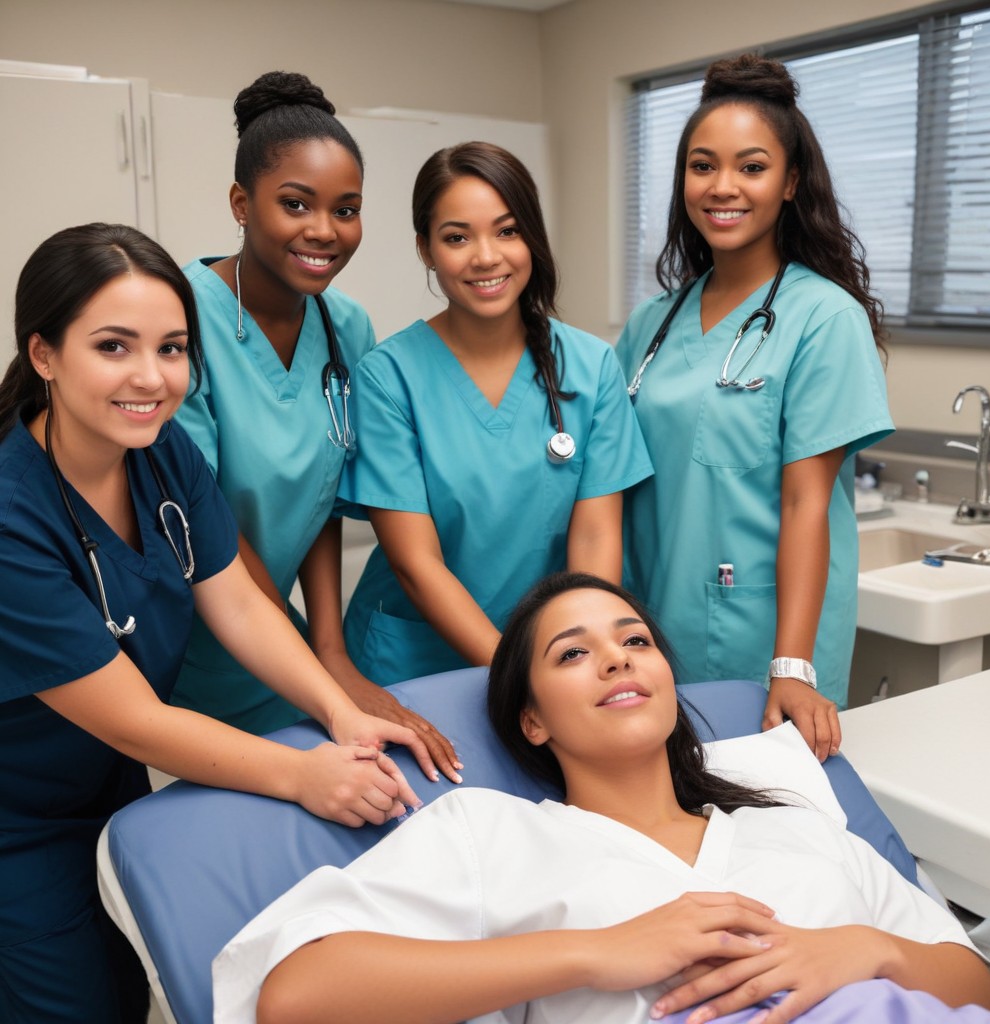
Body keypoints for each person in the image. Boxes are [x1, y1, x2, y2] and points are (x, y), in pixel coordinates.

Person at [213, 571, 990, 1024]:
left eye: (635, 642)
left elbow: (984, 1000)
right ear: (529, 719)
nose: (617, 662)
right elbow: (298, 996)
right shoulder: (489, 832)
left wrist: (865, 953)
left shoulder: (797, 828)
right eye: (573, 654)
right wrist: (600, 952)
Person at [0, 223, 438, 1024]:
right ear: (44, 355)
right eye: (113, 347)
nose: (152, 377)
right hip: (18, 818)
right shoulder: (11, 515)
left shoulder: (162, 456)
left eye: (172, 349)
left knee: (135, 983)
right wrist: (306, 774)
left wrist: (341, 708)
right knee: (73, 1004)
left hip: (114, 790)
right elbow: (136, 719)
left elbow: (234, 600)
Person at [171, 71, 459, 779]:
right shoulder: (178, 313)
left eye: (346, 209)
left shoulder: (345, 326)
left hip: (283, 649)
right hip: (181, 652)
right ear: (241, 203)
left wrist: (328, 649)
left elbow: (324, 502)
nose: (324, 232)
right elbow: (204, 518)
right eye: (295, 204)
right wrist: (317, 672)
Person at [616, 54, 895, 761]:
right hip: (651, 630)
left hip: (770, 643)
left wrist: (792, 667)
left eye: (751, 166)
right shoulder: (652, 323)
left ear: (791, 181)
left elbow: (809, 502)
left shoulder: (824, 318)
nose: (723, 188)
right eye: (702, 166)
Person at [338, 141, 653, 685]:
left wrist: (578, 658)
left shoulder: (590, 365)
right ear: (426, 248)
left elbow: (596, 541)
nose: (486, 256)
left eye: (507, 231)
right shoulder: (388, 376)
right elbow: (417, 565)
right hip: (415, 662)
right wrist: (523, 680)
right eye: (457, 237)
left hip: (556, 656)